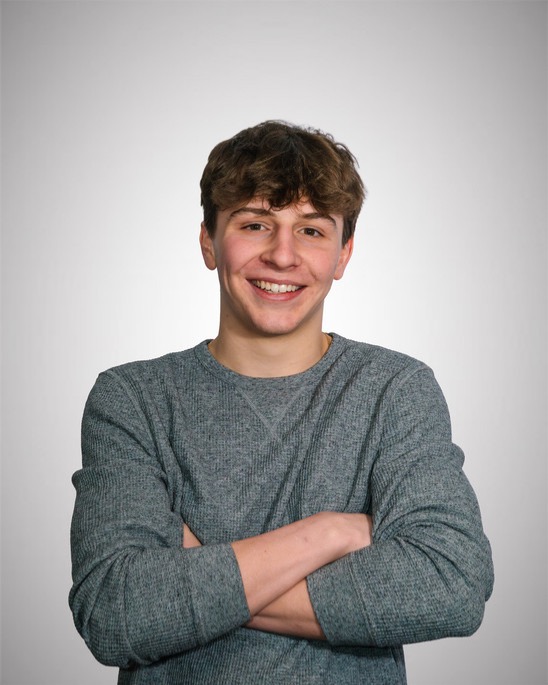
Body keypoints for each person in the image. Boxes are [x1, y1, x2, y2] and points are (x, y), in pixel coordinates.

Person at [69, 120, 494, 684]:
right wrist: (330, 533)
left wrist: (197, 576)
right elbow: (115, 613)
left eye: (312, 230)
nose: (283, 255)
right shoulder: (133, 400)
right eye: (255, 224)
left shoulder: (395, 390)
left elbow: (452, 583)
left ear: (343, 254)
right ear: (208, 241)